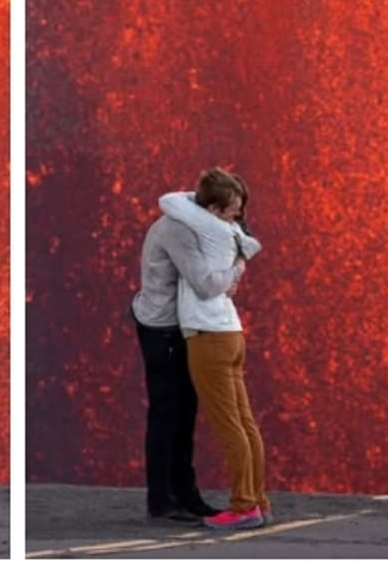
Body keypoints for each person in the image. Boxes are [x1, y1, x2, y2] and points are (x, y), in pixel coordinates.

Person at [130, 170, 247, 521]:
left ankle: (184, 493)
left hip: (176, 326)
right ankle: (164, 499)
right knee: (168, 415)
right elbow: (204, 283)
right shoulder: (180, 230)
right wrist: (236, 270)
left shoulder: (190, 224)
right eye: (230, 212)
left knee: (183, 414)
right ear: (211, 208)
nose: (235, 219)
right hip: (163, 328)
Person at [159, 169, 270, 530]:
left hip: (208, 335)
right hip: (230, 332)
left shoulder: (211, 226)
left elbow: (169, 200)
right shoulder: (234, 233)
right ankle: (257, 501)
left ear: (206, 207)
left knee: (228, 427)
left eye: (234, 209)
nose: (234, 215)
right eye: (230, 208)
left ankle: (243, 508)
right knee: (246, 424)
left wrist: (203, 199)